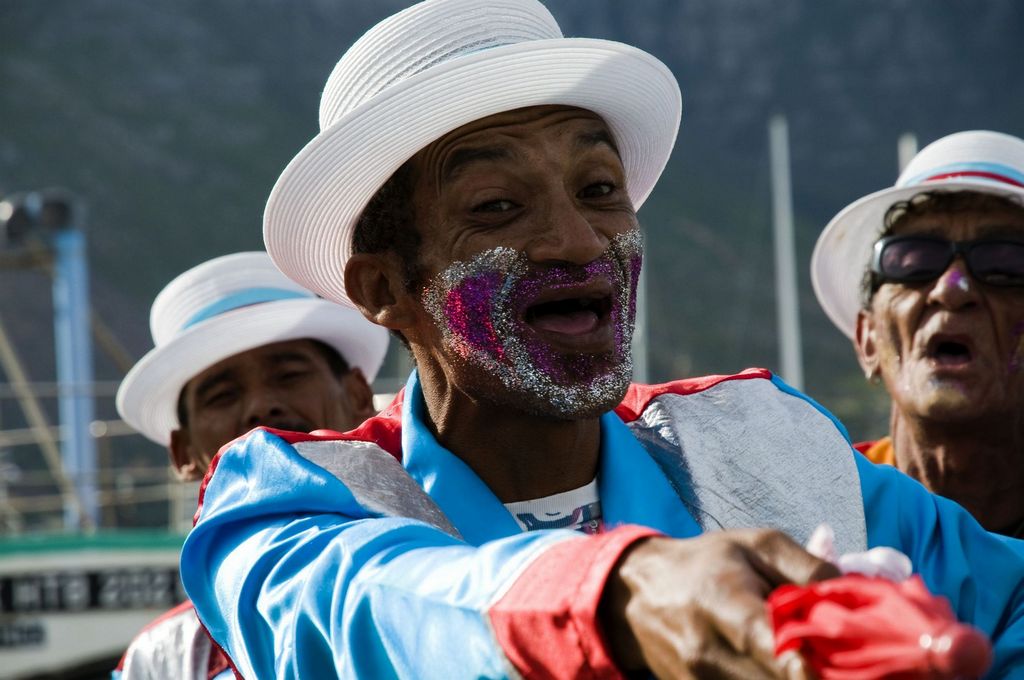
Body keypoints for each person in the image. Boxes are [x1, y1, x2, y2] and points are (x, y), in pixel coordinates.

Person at [181, 2, 1024, 678]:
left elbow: (1005, 593)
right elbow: (365, 608)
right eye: (496, 208)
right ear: (384, 289)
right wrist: (618, 596)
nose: (579, 242)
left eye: (598, 189)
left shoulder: (773, 447)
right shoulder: (288, 504)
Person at [112, 251, 389, 679]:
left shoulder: (450, 554)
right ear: (183, 453)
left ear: (357, 394)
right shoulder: (163, 658)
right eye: (222, 395)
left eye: (289, 374)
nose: (262, 406)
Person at [812, 130, 1024, 538]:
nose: (951, 289)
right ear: (868, 338)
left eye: (1004, 263)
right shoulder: (807, 513)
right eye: (913, 261)